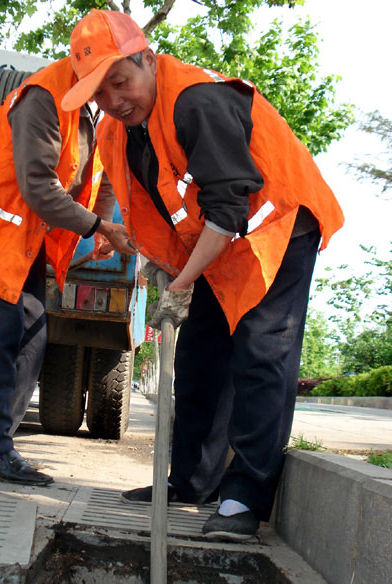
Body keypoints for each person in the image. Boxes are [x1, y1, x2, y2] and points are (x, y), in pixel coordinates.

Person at [61, 9, 344, 539]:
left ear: (146, 57)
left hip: (274, 226)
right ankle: (190, 483)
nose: (114, 101)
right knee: (200, 356)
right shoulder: (123, 131)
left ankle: (243, 501)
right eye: (99, 94)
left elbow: (229, 206)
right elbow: (157, 209)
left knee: (261, 355)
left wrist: (183, 282)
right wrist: (168, 271)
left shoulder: (196, 100)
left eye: (119, 81)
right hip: (218, 246)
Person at [0, 55, 136, 486]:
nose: (118, 93)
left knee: (33, 337)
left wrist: (103, 230)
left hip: (25, 235)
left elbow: (103, 176)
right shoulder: (43, 98)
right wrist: (98, 225)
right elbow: (37, 185)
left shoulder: (100, 109)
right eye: (112, 82)